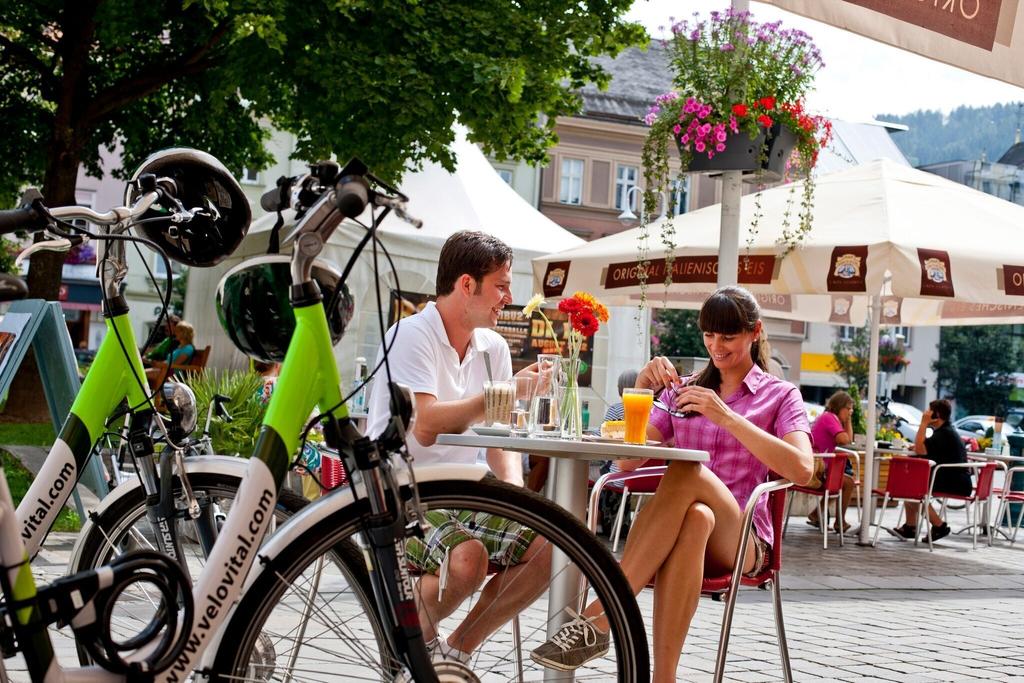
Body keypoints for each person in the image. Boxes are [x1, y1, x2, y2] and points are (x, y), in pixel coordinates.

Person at [531, 286, 813, 680]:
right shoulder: (683, 390)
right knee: (697, 517)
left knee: (686, 469)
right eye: (709, 335)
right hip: (686, 532)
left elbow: (803, 469)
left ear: (755, 332)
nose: (716, 346)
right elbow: (627, 461)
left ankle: (603, 613)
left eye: (728, 336)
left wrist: (727, 417)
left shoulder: (781, 396)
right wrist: (643, 389)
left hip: (743, 539)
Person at [365, 230, 550, 664]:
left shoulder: (493, 346)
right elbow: (425, 424)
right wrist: (504, 393)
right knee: (468, 560)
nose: (509, 298)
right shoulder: (411, 334)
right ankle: (407, 643)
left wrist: (514, 493)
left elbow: (499, 440)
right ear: (467, 284)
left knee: (551, 545)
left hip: (465, 494)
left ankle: (455, 652)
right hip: (401, 494)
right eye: (501, 286)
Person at [889, 398, 971, 542]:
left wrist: (923, 423)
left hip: (955, 482)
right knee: (911, 486)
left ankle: (939, 526)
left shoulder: (944, 433)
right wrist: (919, 445)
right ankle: (910, 526)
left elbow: (920, 449)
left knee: (912, 490)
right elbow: (923, 447)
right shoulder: (945, 431)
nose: (926, 413)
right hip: (955, 479)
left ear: (936, 415)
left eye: (929, 411)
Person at [807, 390, 858, 533]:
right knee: (847, 482)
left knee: (840, 480)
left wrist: (847, 419)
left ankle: (816, 514)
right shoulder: (829, 418)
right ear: (839, 406)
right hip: (816, 470)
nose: (850, 412)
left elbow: (848, 440)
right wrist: (848, 420)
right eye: (848, 409)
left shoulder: (830, 417)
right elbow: (845, 440)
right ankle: (840, 522)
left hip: (818, 466)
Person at [145, 320, 195, 385]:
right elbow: (169, 362)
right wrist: (157, 363)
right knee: (140, 373)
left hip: (172, 374)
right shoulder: (180, 346)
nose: (175, 333)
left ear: (184, 333)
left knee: (141, 374)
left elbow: (175, 364)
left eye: (177, 331)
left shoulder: (188, 348)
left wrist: (161, 364)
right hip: (166, 370)